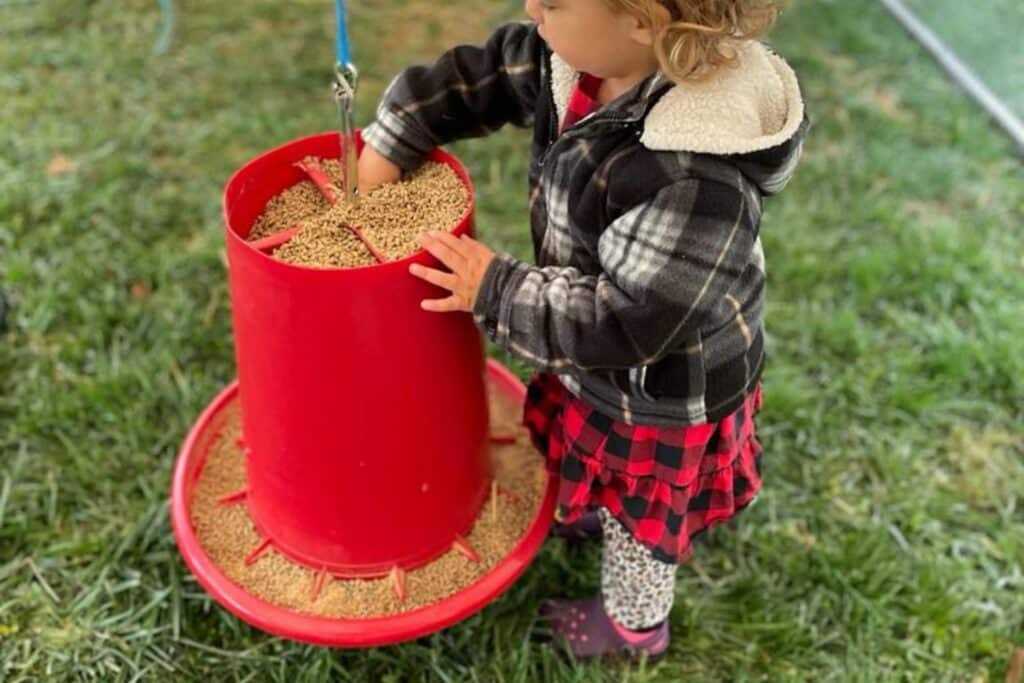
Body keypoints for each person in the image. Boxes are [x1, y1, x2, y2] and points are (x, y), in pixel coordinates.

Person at [359, 0, 809, 660]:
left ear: (645, 20)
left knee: (640, 521)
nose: (530, 5)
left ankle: (633, 628)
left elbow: (625, 321)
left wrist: (498, 289)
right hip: (602, 348)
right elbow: (486, 75)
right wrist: (398, 130)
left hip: (663, 387)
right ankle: (601, 500)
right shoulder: (587, 53)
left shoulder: (693, 174)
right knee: (595, 448)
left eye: (555, 0)